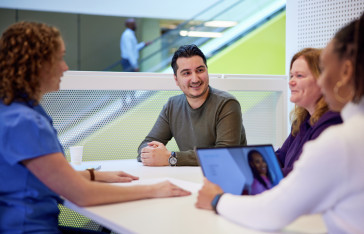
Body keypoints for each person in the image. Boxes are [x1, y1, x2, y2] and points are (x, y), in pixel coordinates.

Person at [0, 21, 190, 233]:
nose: (65, 67)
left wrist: (95, 175)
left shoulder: (13, 110)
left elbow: (45, 176)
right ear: (37, 64)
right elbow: (82, 194)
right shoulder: (24, 122)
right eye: (60, 58)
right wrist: (154, 189)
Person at [195, 14, 364, 233]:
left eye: (325, 70)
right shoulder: (313, 123)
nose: (323, 82)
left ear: (347, 72)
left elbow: (272, 212)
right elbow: (280, 159)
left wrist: (218, 200)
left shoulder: (341, 140)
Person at [138, 44, 247, 166]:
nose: (195, 79)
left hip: (227, 178)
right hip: (188, 177)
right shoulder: (172, 106)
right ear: (176, 79)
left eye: (200, 70)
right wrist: (151, 154)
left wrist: (171, 158)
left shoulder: (227, 104)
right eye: (186, 73)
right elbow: (146, 144)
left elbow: (224, 155)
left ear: (207, 70)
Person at [275, 48, 342, 176]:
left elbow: (303, 174)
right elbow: (281, 158)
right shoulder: (302, 120)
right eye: (291, 76)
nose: (291, 82)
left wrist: (263, 175)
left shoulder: (332, 122)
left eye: (299, 76)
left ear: (323, 80)